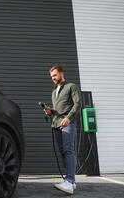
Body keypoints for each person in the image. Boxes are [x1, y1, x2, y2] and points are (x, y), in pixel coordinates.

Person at [44, 65, 81, 195]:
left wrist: (69, 118)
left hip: (67, 123)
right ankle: (71, 181)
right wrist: (50, 111)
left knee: (68, 150)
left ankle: (69, 182)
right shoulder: (54, 92)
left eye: (54, 75)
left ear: (61, 73)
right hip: (56, 124)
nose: (53, 78)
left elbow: (77, 104)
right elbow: (57, 111)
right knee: (63, 152)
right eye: (51, 76)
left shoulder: (71, 86)